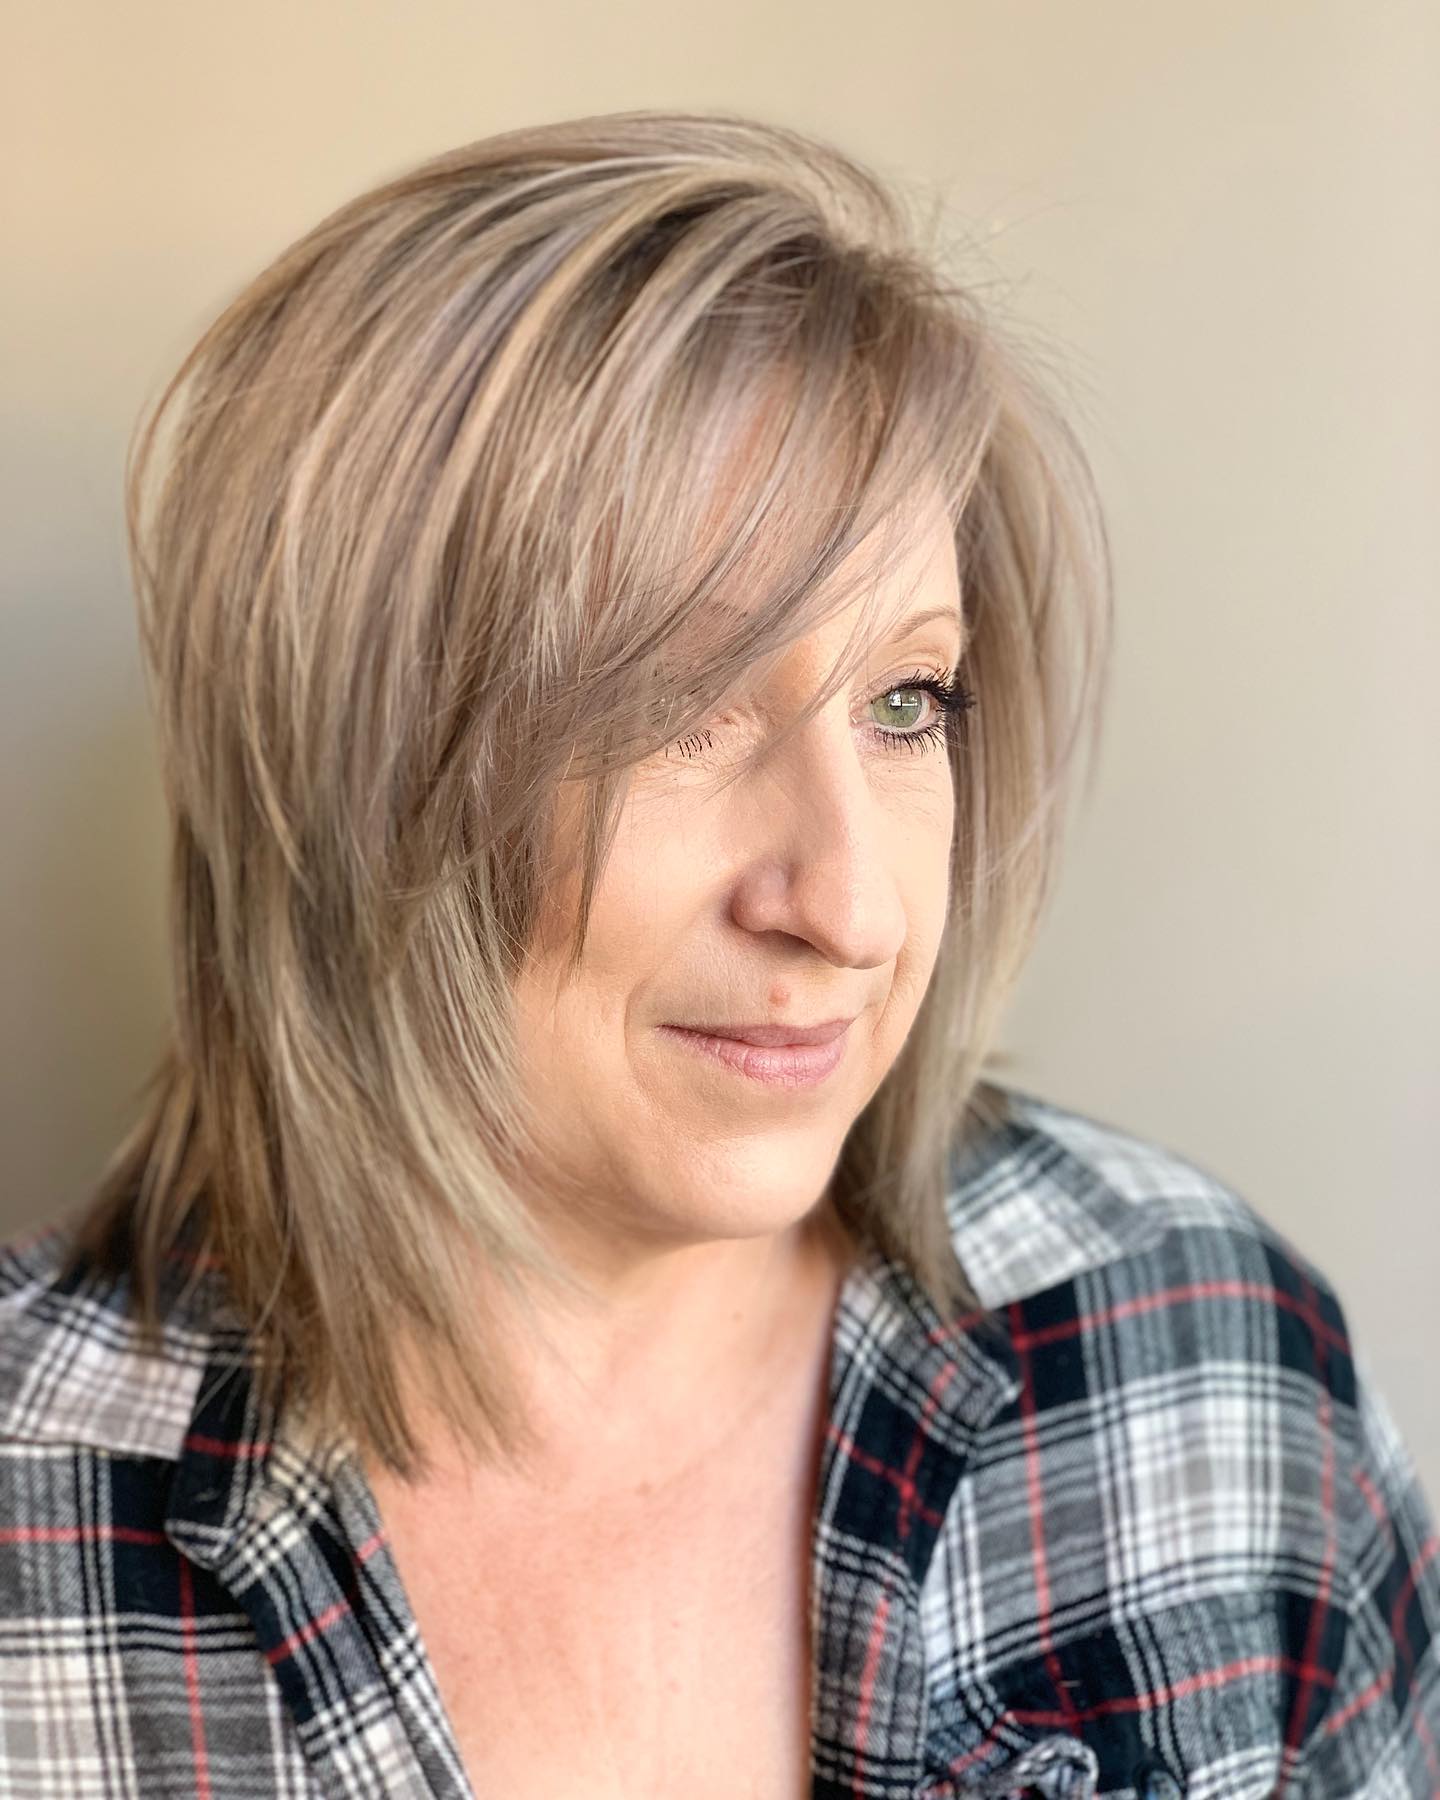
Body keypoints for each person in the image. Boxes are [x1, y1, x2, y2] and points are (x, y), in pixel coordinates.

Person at [0, 107, 1435, 1800]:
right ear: (343, 771)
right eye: (675, 707)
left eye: (908, 701)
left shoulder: (1205, 1359)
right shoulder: (39, 1515)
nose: (854, 907)